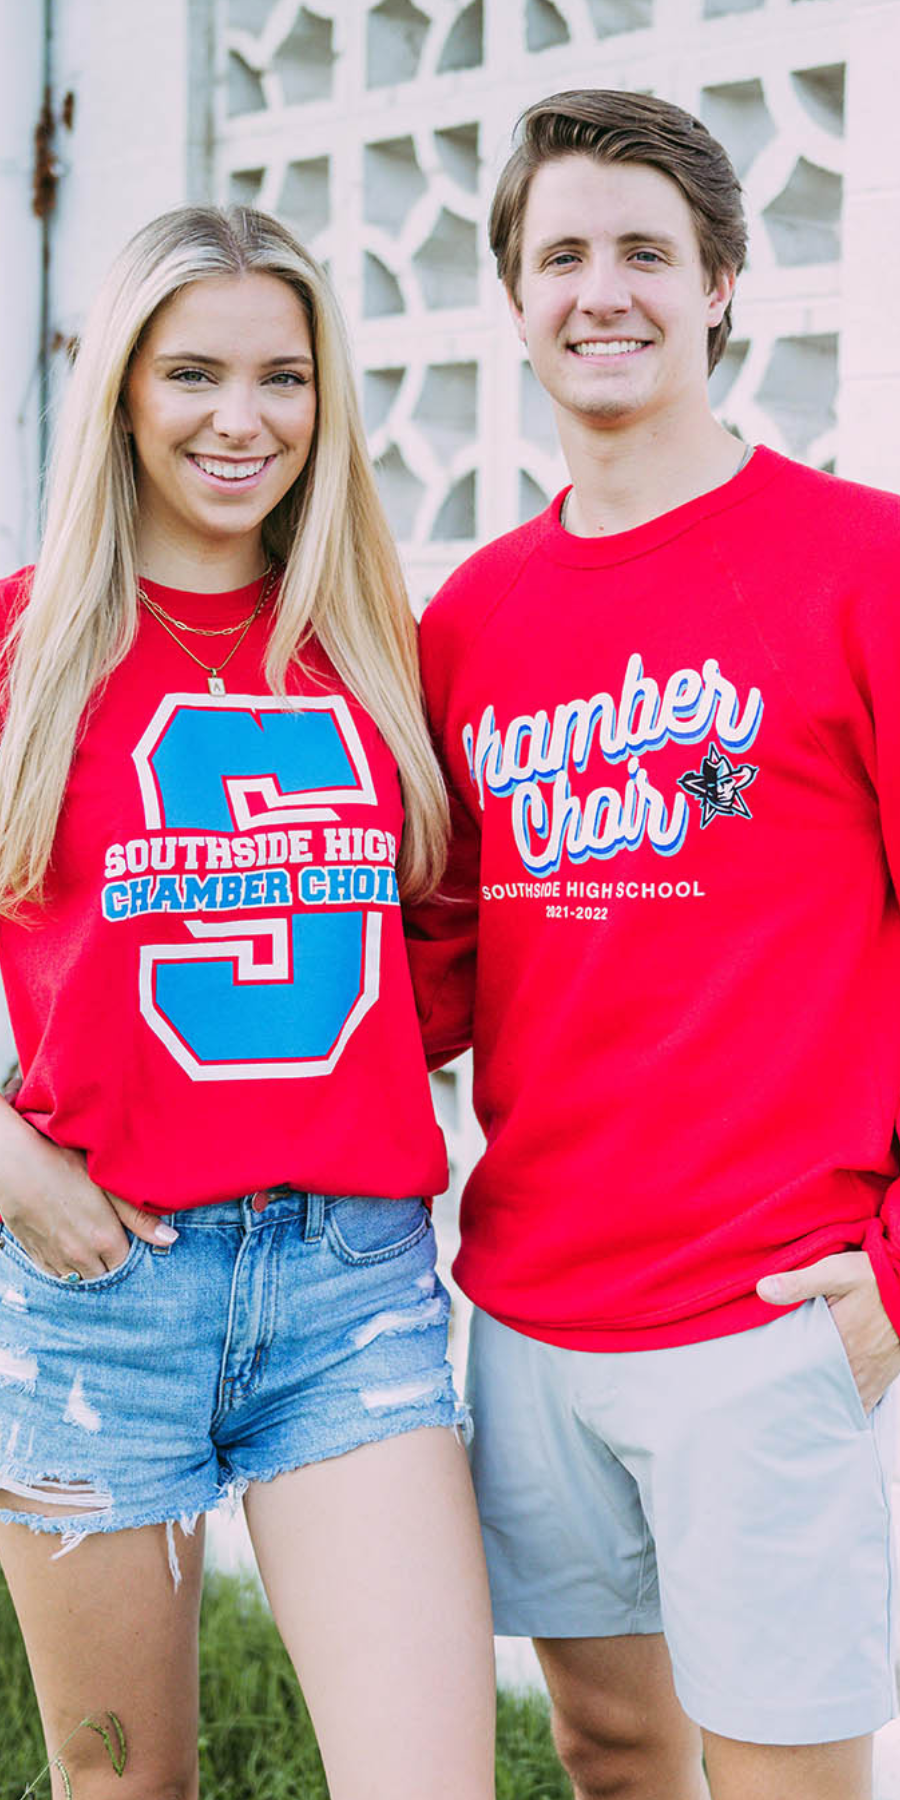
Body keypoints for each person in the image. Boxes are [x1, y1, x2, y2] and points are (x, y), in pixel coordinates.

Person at [406, 89, 900, 1800]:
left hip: (769, 1309)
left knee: (786, 1781)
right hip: (533, 1311)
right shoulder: (470, 620)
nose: (599, 289)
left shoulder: (863, 567)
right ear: (517, 298)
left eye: (643, 251)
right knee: (611, 1756)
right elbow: (435, 977)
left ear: (719, 287)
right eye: (561, 255)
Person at [0, 204, 495, 1800]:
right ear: (125, 393)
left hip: (351, 1292)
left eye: (283, 376)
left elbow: (449, 948)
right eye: (194, 372)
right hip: (97, 1298)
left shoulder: (376, 650)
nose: (242, 418)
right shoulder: (26, 648)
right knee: (123, 1783)